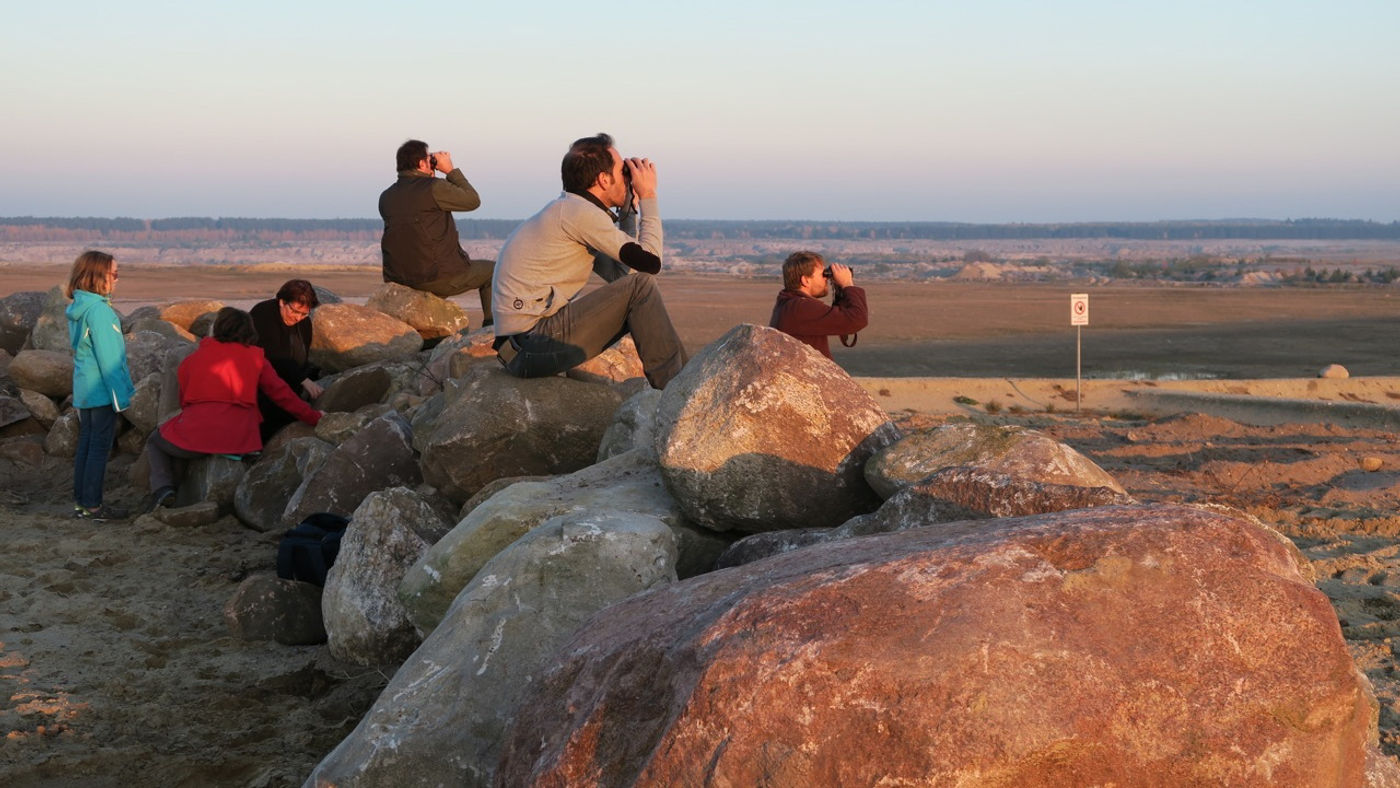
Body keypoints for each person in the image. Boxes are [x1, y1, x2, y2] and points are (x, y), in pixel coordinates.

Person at [491, 132, 687, 389]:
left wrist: (628, 211)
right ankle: (678, 391)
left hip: (523, 346)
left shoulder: (572, 211)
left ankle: (682, 383)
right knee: (643, 287)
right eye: (622, 172)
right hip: (530, 345)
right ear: (603, 179)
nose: (628, 178)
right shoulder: (579, 215)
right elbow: (651, 264)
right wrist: (648, 195)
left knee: (639, 287)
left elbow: (621, 276)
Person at [145, 307, 323, 508]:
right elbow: (284, 396)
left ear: (217, 328)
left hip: (196, 435)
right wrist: (314, 417)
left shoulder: (191, 361)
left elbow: (184, 401)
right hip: (241, 440)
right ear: (249, 331)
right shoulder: (256, 358)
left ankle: (163, 490)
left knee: (156, 440)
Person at [378, 138, 495, 321]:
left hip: (400, 279)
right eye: (429, 159)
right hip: (436, 278)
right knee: (494, 271)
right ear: (421, 163)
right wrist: (450, 170)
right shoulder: (434, 188)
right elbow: (472, 200)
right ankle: (492, 331)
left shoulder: (386, 196)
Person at [66, 250, 134, 521]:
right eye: (114, 274)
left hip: (85, 388)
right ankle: (93, 506)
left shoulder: (79, 307)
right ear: (97, 276)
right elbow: (110, 359)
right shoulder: (99, 312)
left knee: (86, 444)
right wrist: (122, 398)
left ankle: (82, 503)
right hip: (102, 391)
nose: (117, 280)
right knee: (97, 448)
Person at [250, 279, 322, 441]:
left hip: (287, 385)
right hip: (261, 388)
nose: (298, 318)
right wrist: (303, 380)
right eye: (295, 311)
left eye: (304, 313)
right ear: (282, 302)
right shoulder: (263, 315)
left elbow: (302, 358)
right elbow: (271, 356)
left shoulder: (304, 324)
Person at [769, 251, 868, 359]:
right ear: (805, 280)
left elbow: (844, 318)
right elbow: (857, 319)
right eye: (823, 274)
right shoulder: (801, 308)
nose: (826, 278)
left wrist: (841, 291)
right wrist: (847, 284)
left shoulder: (789, 303)